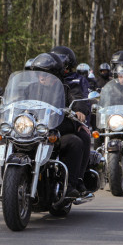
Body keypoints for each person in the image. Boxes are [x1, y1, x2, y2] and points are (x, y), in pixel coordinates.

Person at [27, 53, 92, 199]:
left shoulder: (68, 87)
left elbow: (78, 99)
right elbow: (17, 100)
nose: (41, 77)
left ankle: (69, 185)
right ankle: (9, 180)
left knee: (75, 142)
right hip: (32, 132)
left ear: (56, 74)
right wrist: (3, 108)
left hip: (56, 131)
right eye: (39, 74)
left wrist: (79, 110)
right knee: (9, 139)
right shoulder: (31, 88)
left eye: (46, 74)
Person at [52, 45, 93, 185]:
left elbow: (81, 99)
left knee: (83, 137)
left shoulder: (75, 81)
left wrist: (80, 115)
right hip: (40, 126)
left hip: (68, 121)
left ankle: (78, 180)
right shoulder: (44, 81)